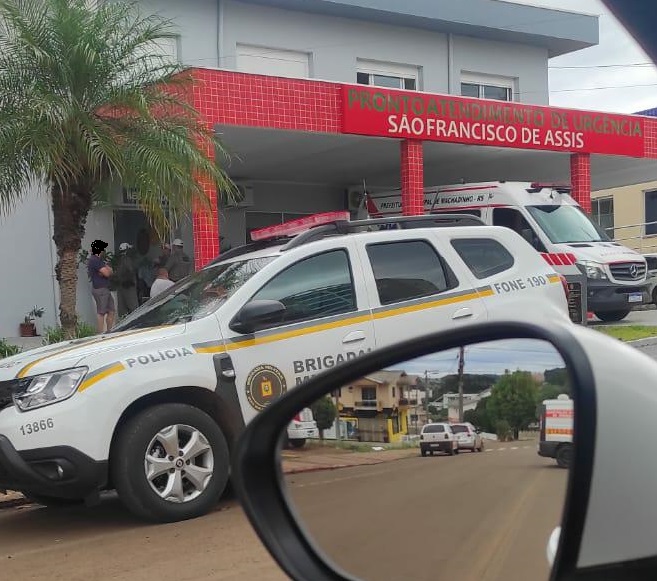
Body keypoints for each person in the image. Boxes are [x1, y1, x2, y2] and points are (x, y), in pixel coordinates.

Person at [87, 239, 115, 333]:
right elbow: (107, 273)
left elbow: (110, 271)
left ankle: (109, 332)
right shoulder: (94, 260)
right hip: (100, 289)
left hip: (105, 289)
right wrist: (107, 271)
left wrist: (107, 271)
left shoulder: (99, 260)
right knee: (101, 312)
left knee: (111, 310)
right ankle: (100, 334)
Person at [116, 242, 139, 317]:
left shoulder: (119, 259)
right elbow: (130, 270)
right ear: (127, 250)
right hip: (128, 286)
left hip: (121, 286)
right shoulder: (127, 259)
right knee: (134, 307)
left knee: (122, 309)